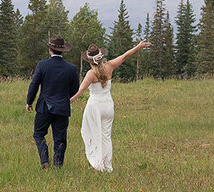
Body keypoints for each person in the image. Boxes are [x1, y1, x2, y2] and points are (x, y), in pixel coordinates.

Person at [69, 39, 151, 173]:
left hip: (95, 106)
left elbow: (80, 92)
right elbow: (125, 55)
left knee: (92, 133)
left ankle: (98, 163)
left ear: (90, 61)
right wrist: (138, 46)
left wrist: (68, 102)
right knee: (106, 136)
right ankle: (107, 165)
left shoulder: (91, 74)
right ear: (101, 58)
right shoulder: (110, 66)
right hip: (108, 105)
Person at [25, 35, 80, 169]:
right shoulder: (71, 68)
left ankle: (45, 161)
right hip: (62, 107)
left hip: (44, 107)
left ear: (50, 49)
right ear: (63, 51)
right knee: (60, 138)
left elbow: (34, 85)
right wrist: (64, 98)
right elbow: (75, 89)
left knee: (38, 133)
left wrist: (29, 102)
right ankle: (58, 165)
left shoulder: (42, 65)